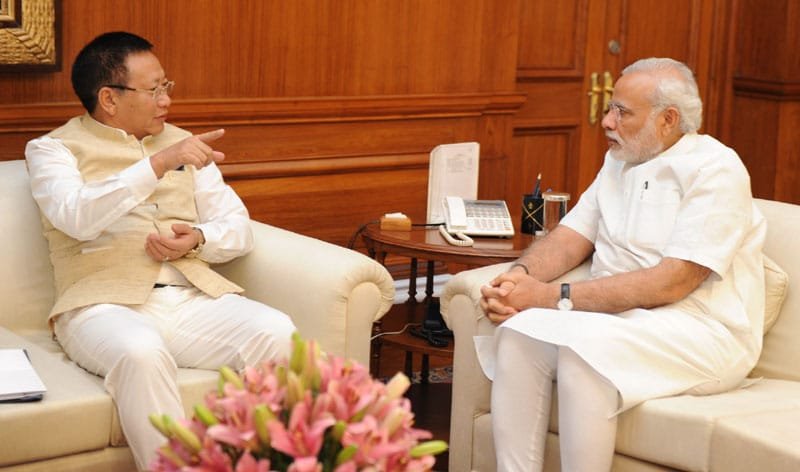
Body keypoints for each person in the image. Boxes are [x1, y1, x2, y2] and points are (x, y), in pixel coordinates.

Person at [25, 31, 297, 470]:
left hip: (188, 298)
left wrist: (199, 239)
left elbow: (238, 228)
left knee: (276, 330)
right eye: (154, 90)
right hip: (99, 306)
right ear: (109, 98)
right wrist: (158, 163)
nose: (166, 100)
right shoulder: (52, 149)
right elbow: (74, 215)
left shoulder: (186, 143)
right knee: (140, 351)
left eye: (165, 86)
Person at [478, 57, 765, 471]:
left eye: (622, 112)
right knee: (518, 332)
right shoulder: (619, 159)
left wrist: (550, 296)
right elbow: (571, 236)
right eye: (611, 108)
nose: (607, 122)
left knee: (585, 353)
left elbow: (674, 282)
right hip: (617, 320)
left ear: (668, 119)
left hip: (700, 329)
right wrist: (517, 279)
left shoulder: (716, 169)